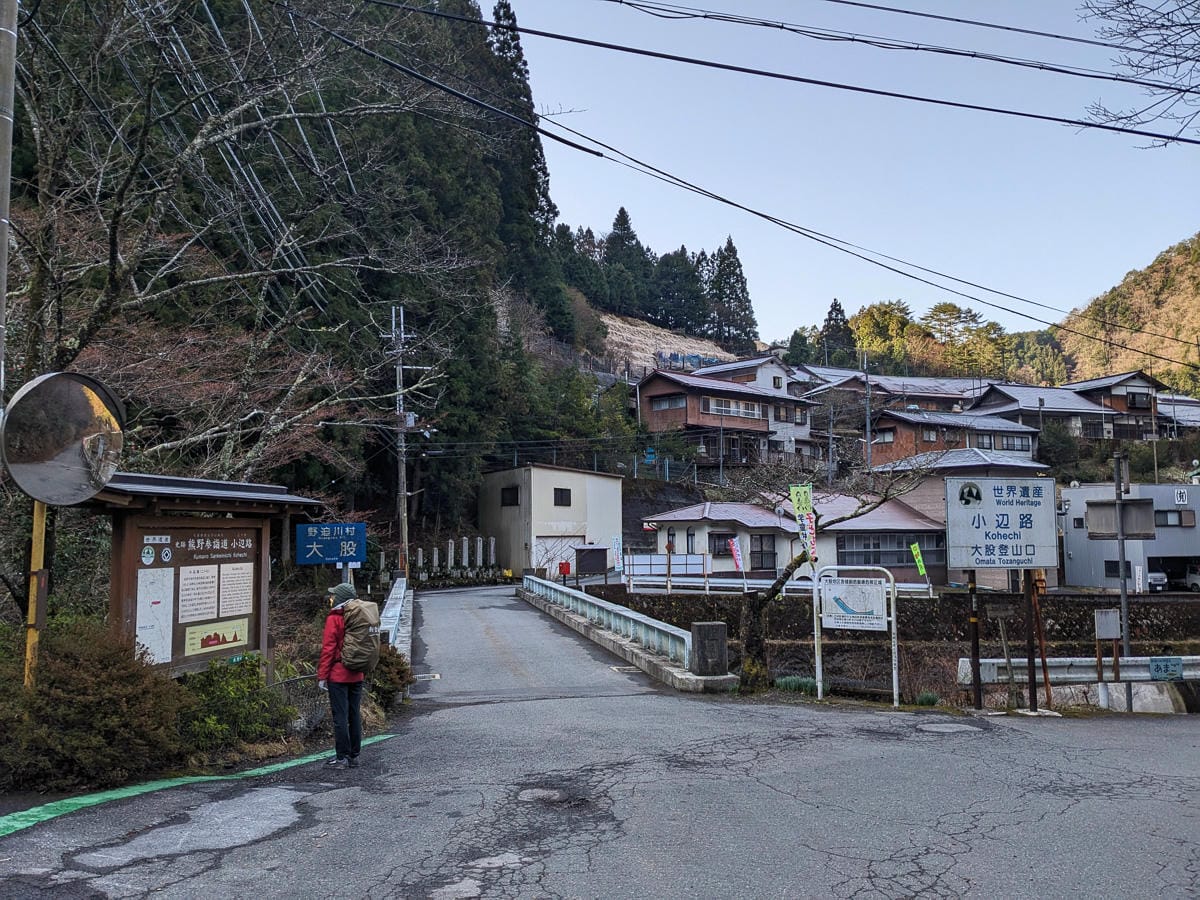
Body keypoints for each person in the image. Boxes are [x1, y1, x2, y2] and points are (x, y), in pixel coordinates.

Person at [318, 581, 364, 768]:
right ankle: (354, 755)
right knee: (354, 715)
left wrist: (322, 676)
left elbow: (328, 649)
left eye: (334, 595)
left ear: (341, 597)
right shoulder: (360, 616)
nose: (331, 597)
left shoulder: (335, 618)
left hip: (338, 674)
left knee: (340, 717)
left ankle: (341, 756)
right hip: (357, 672)